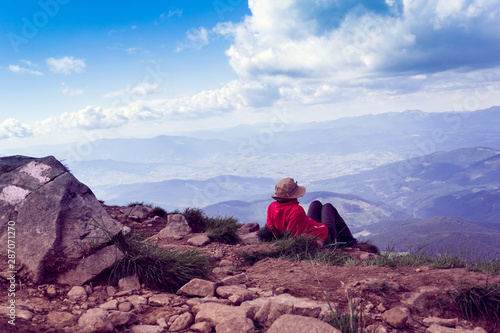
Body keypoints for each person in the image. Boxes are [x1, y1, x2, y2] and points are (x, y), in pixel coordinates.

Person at [266, 177, 357, 247]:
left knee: (315, 203)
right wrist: (315, 243)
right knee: (328, 206)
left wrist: (276, 240)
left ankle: (348, 240)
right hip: (322, 237)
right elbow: (294, 237)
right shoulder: (296, 210)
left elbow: (270, 229)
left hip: (310, 229)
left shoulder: (271, 207)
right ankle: (349, 240)